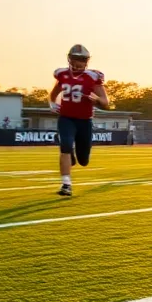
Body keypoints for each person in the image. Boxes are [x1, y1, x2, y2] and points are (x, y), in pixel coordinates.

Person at [49, 44, 110, 197]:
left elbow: (105, 102)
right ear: (69, 59)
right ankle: (66, 184)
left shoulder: (93, 77)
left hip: (84, 121)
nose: (79, 63)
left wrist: (96, 99)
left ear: (86, 61)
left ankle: (73, 154)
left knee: (83, 160)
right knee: (65, 146)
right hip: (66, 118)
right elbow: (53, 93)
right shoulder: (62, 74)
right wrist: (52, 104)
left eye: (82, 60)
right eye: (76, 59)